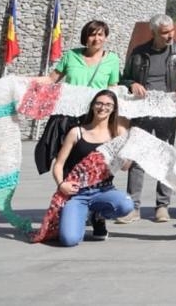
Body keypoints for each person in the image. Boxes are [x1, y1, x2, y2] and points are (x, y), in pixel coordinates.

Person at [117, 13, 176, 224]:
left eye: (172, 31)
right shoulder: (139, 53)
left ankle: (162, 206)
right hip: (142, 111)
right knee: (137, 160)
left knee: (166, 158)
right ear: (153, 33)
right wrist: (132, 83)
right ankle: (133, 207)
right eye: (165, 33)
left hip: (167, 113)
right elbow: (125, 78)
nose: (170, 36)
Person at [34, 20, 122, 175]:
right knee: (67, 159)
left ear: (106, 37)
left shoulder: (112, 60)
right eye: (92, 35)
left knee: (91, 159)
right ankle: (65, 192)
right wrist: (24, 81)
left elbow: (112, 90)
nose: (96, 39)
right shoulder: (71, 55)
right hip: (69, 116)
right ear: (85, 37)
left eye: (100, 35)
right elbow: (51, 79)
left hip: (95, 117)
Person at [52, 90, 134, 246]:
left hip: (104, 190)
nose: (103, 108)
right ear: (92, 106)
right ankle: (77, 215)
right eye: (99, 103)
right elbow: (58, 164)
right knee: (69, 240)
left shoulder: (117, 134)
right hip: (77, 193)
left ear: (114, 109)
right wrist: (61, 184)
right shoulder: (77, 132)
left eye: (108, 104)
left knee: (126, 205)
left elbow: (125, 167)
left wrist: (129, 150)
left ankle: (98, 215)